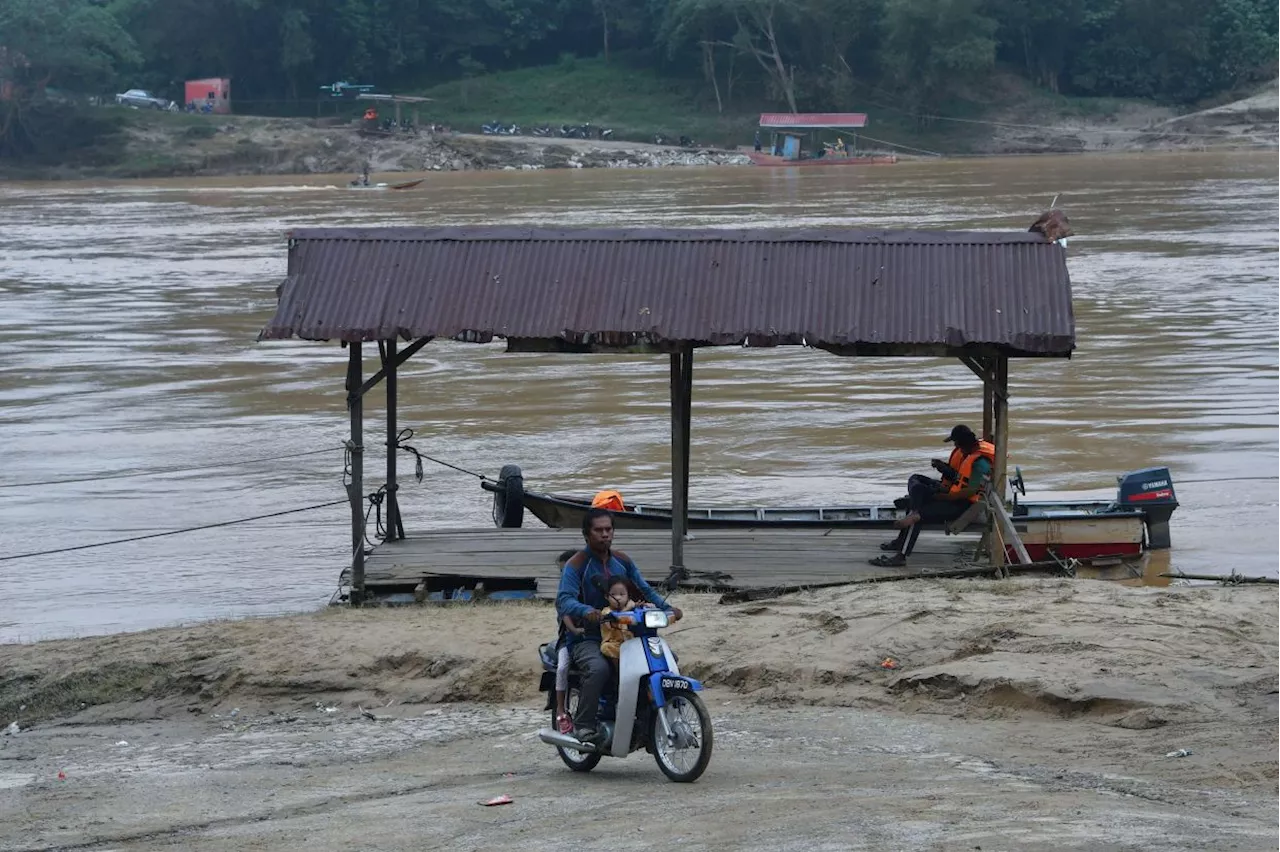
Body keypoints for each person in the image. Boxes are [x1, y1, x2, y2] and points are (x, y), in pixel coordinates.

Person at [556, 507, 681, 744]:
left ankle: (648, 720)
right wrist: (588, 612)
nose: (605, 534)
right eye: (598, 530)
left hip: (626, 630)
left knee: (666, 659)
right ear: (586, 534)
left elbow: (644, 589)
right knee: (599, 668)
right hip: (587, 636)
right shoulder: (577, 564)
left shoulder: (622, 561)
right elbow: (563, 600)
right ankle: (583, 725)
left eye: (608, 529)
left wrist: (667, 608)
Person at [870, 425, 995, 568]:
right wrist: (944, 469)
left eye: (956, 443)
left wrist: (944, 497)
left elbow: (970, 492)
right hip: (952, 495)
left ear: (963, 444)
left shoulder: (980, 463)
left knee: (916, 517)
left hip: (963, 506)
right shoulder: (969, 455)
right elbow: (959, 479)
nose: (955, 446)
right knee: (915, 480)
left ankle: (901, 556)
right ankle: (914, 508)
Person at [552, 549, 583, 735]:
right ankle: (561, 710)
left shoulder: (590, 588)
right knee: (563, 667)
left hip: (594, 636)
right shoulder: (563, 595)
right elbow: (565, 616)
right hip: (568, 639)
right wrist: (574, 629)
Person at [599, 577, 642, 659]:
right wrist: (628, 608)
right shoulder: (606, 612)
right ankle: (618, 670)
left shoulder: (633, 609)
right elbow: (613, 620)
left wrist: (645, 606)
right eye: (613, 594)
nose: (618, 597)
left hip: (631, 642)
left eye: (622, 594)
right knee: (606, 647)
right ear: (606, 596)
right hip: (615, 644)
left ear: (628, 596)